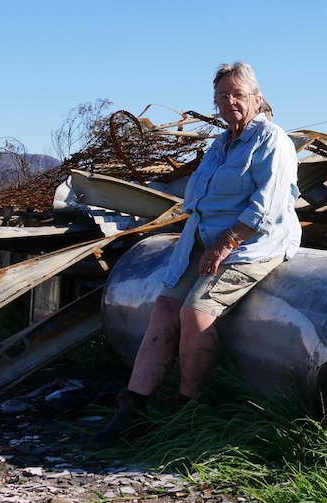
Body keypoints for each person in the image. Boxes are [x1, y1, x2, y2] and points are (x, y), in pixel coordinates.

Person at [89, 62, 301, 448]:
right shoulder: (220, 146)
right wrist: (199, 243)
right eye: (222, 97)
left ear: (256, 98)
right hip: (202, 241)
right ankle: (131, 414)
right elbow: (196, 201)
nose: (229, 102)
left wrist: (225, 244)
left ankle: (187, 413)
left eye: (238, 94)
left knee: (195, 312)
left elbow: (266, 208)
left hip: (253, 242)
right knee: (165, 311)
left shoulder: (272, 140)